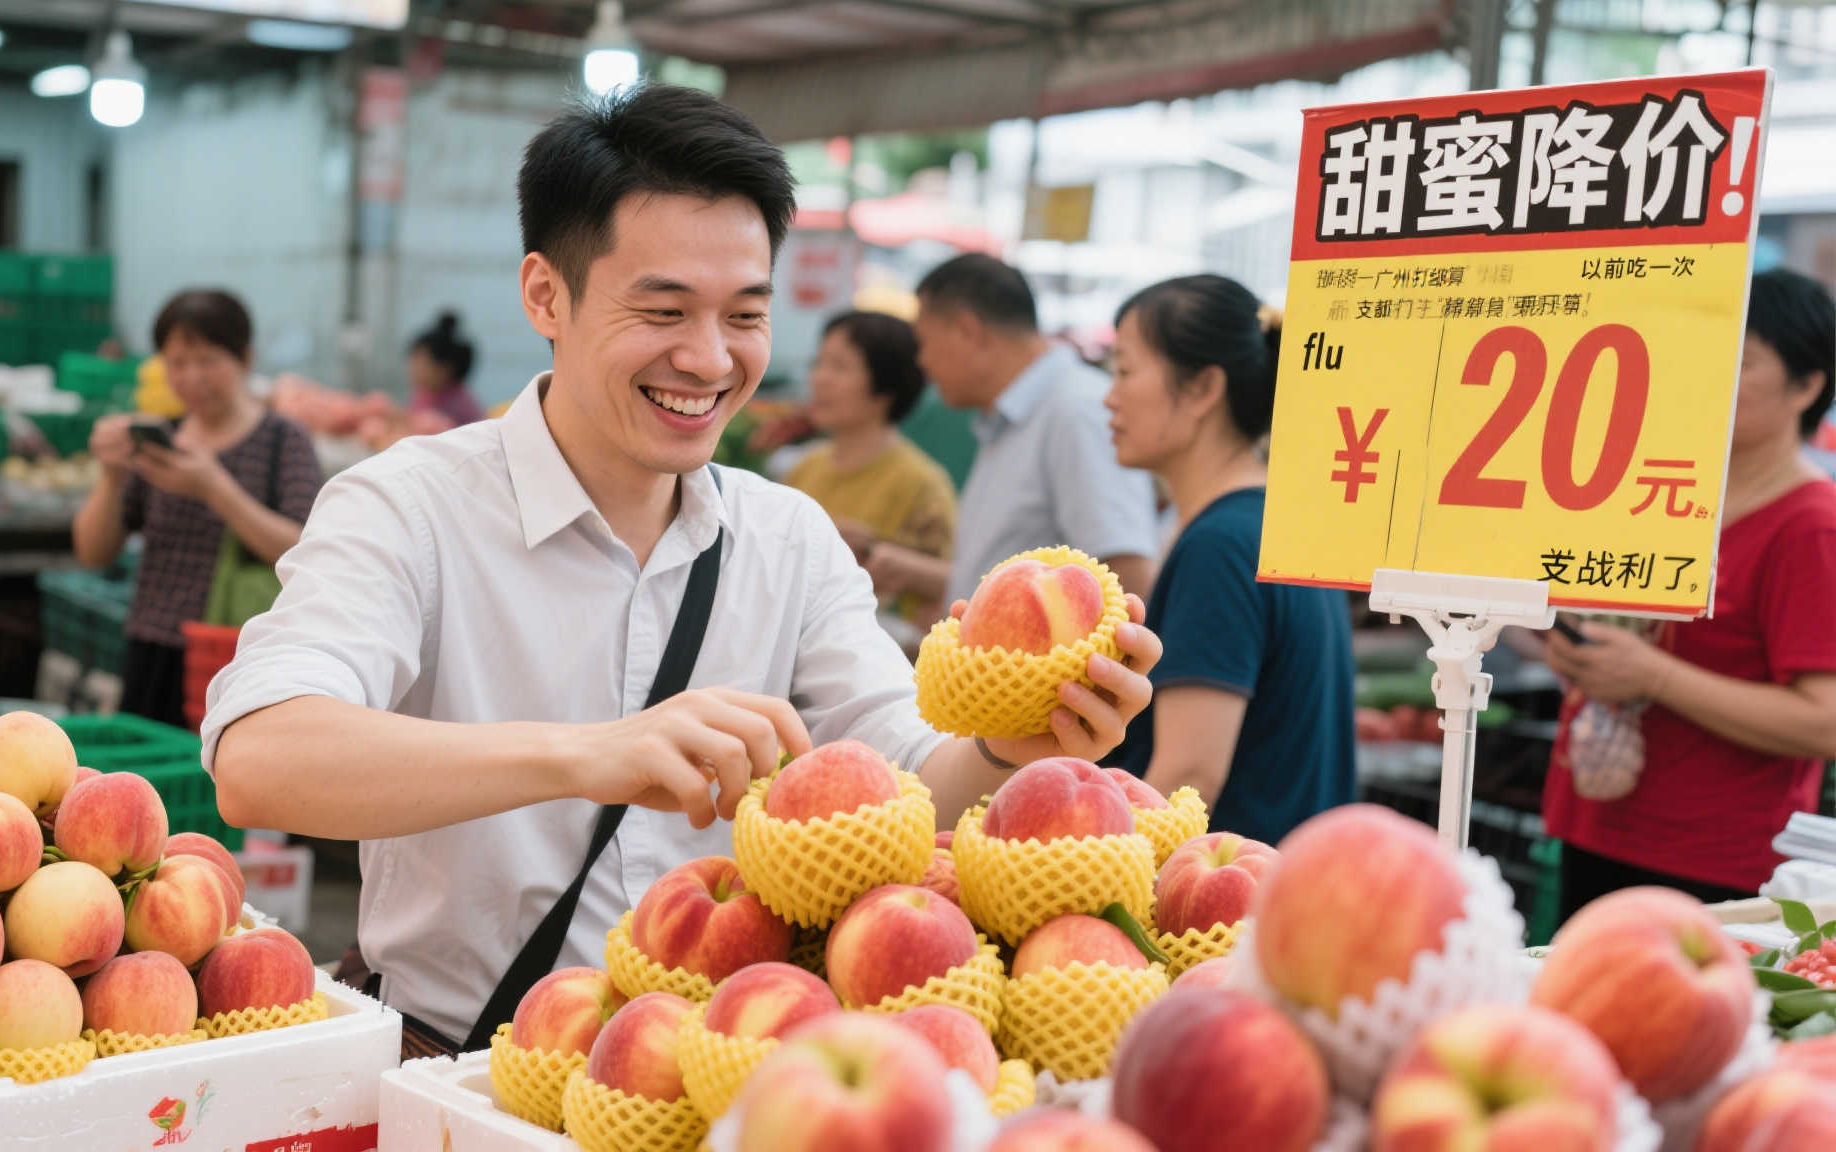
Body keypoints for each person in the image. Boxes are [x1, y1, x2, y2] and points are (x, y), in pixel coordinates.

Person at [199, 85, 1162, 1058]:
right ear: (545, 294)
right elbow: (259, 759)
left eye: (744, 315)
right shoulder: (409, 505)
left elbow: (909, 782)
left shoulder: (787, 537)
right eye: (662, 310)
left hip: (710, 1081)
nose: (707, 360)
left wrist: (1011, 744)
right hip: (460, 1074)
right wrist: (585, 754)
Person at [1543, 268, 1836, 915]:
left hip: (1713, 861)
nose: (1712, 371)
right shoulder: (1658, 491)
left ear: (1807, 385)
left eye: (1743, 359)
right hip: (1597, 820)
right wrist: (1568, 648)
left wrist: (1654, 674)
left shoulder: (1811, 524)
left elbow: (1826, 719)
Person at [1102, 275, 1356, 844]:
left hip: (1221, 914)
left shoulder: (1221, 545)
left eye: (1123, 370)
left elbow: (1189, 776)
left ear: (1202, 389)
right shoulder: (1272, 521)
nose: (1108, 396)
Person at [73, 290, 324, 727]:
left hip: (240, 654)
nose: (192, 377)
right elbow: (93, 552)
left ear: (245, 358)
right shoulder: (160, 441)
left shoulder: (284, 440)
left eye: (208, 360)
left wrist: (215, 489)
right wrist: (112, 476)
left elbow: (307, 552)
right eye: (176, 363)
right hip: (153, 649)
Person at [864, 253, 1158, 614]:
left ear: (967, 330)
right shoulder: (1012, 416)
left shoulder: (1075, 411)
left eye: (924, 342)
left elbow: (1127, 576)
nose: (922, 361)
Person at [785, 310, 958, 625]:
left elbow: (962, 581)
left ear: (885, 385)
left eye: (839, 367)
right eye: (819, 363)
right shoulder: (805, 467)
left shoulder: (923, 484)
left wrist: (884, 556)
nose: (819, 378)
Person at [406, 310, 484, 428]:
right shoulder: (425, 395)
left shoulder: (460, 406)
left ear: (445, 369)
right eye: (413, 361)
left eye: (422, 364)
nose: (413, 370)